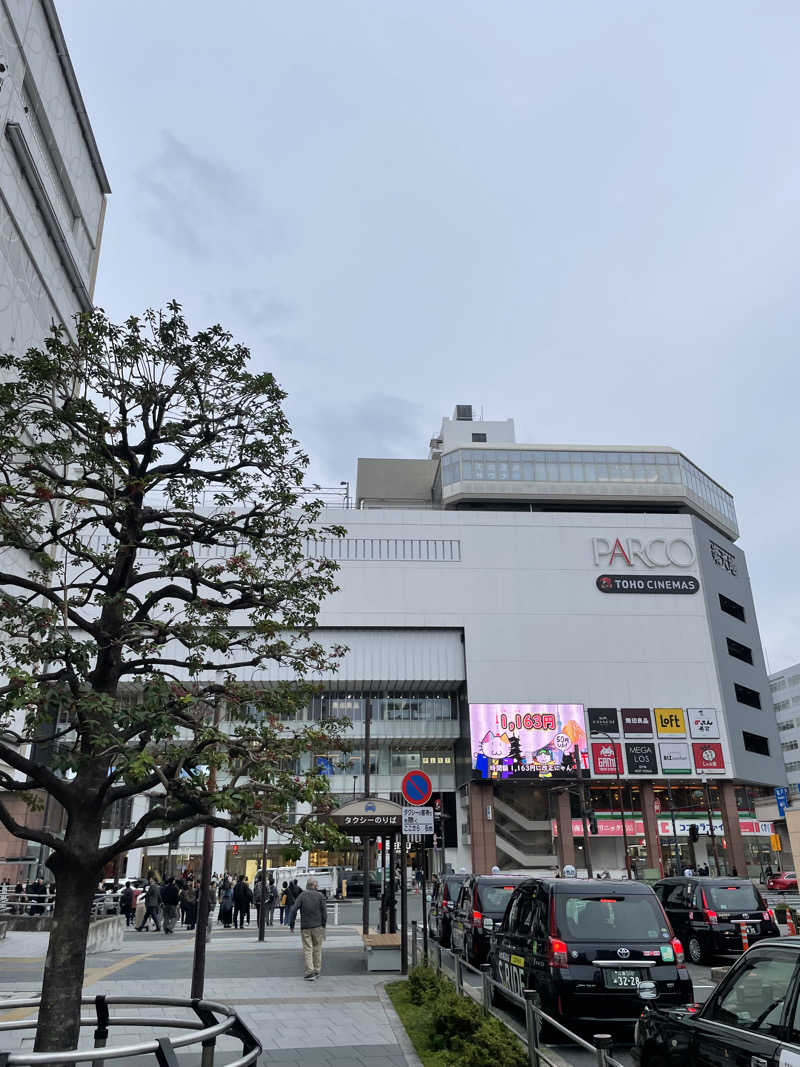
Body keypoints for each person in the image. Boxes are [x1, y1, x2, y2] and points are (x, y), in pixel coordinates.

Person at [289, 877, 327, 980]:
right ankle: (317, 970)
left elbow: (293, 910)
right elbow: (324, 912)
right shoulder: (320, 896)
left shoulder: (302, 896)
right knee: (317, 948)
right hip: (318, 926)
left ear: (307, 885)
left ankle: (310, 971)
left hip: (305, 926)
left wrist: (292, 924)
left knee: (308, 949)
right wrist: (324, 925)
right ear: (315, 886)